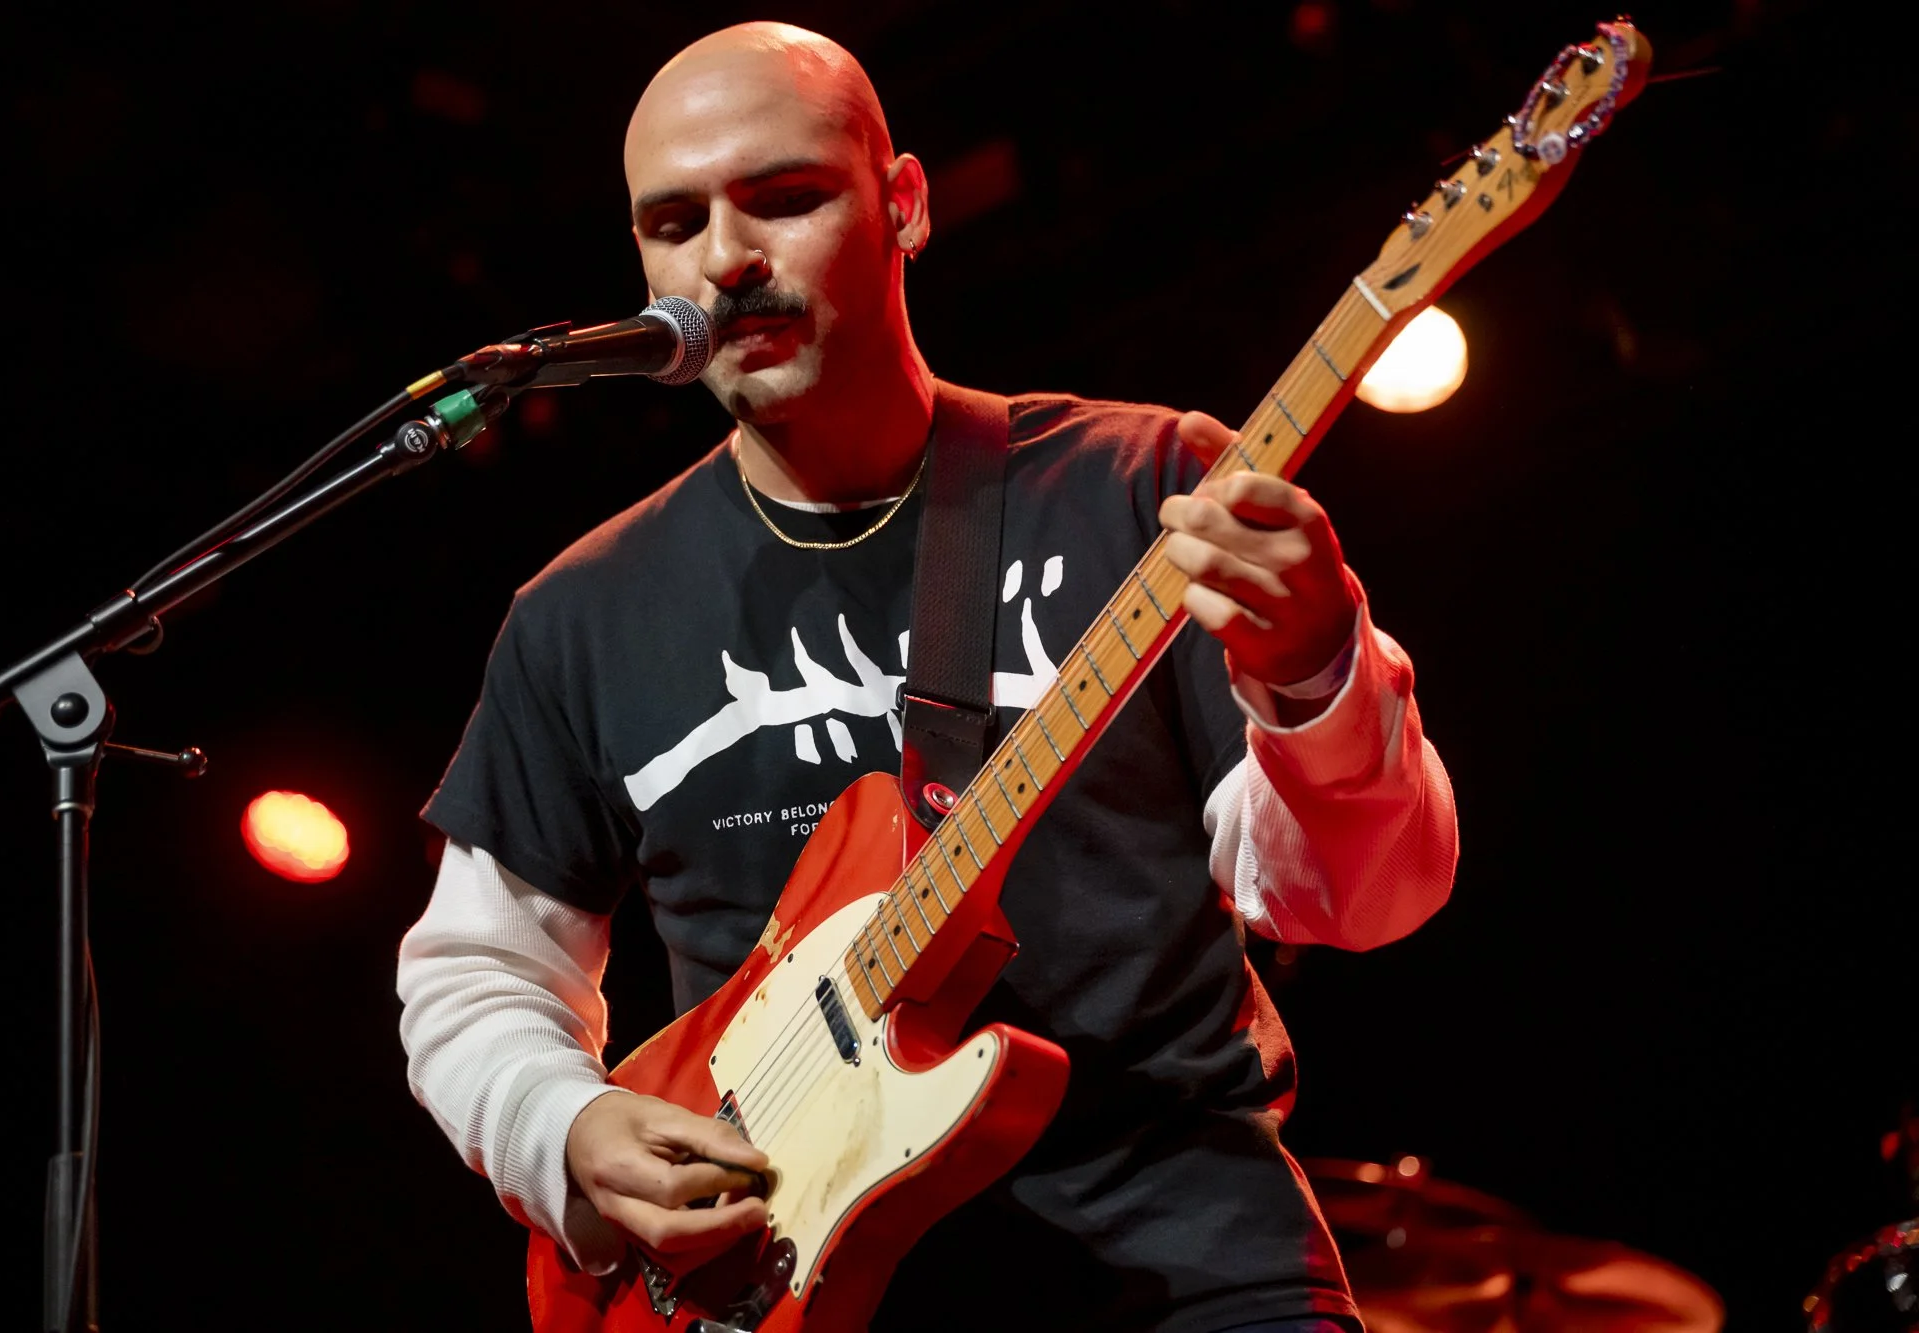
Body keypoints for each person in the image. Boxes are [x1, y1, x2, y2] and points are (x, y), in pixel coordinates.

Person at [398, 21, 1457, 1333]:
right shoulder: (582, 615)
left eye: (784, 200)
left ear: (903, 204)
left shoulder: (1143, 491)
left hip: (1181, 1273)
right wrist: (568, 1125)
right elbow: (474, 972)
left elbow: (1361, 902)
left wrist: (1311, 677)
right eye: (674, 224)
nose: (725, 260)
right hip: (776, 1290)